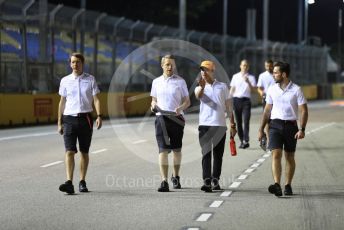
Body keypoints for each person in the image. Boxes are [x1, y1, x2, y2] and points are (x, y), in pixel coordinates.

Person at [258, 61, 308, 197]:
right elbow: (267, 110)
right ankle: (277, 185)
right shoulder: (272, 89)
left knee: (289, 156)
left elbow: (303, 110)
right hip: (275, 125)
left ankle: (287, 185)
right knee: (276, 154)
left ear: (284, 74)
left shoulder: (296, 90)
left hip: (291, 126)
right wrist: (261, 129)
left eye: (275, 72)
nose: (273, 75)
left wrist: (302, 129)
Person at [57, 53, 102, 194]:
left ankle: (82, 181)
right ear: (70, 64)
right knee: (69, 151)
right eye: (73, 62)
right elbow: (62, 102)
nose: (75, 65)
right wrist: (59, 122)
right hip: (69, 119)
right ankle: (69, 182)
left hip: (85, 119)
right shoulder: (65, 80)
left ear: (83, 63)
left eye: (78, 62)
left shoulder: (90, 79)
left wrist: (99, 115)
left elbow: (96, 100)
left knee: (84, 151)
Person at [150, 54, 190, 192]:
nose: (170, 67)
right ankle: (164, 181)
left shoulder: (180, 81)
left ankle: (176, 177)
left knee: (177, 149)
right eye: (167, 64)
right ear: (162, 65)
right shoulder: (156, 82)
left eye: (172, 64)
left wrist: (181, 108)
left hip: (176, 118)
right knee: (163, 149)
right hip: (161, 117)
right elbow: (153, 100)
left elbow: (187, 101)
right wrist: (153, 104)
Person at [195, 60, 237, 193]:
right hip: (205, 125)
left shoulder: (223, 87)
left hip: (220, 125)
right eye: (202, 70)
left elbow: (229, 106)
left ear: (212, 71)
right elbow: (198, 95)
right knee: (206, 153)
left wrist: (232, 123)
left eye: (206, 69)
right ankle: (207, 182)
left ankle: (215, 180)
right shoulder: (199, 87)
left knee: (218, 155)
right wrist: (201, 87)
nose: (203, 72)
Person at [229, 59, 256, 149]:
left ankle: (246, 139)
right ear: (240, 66)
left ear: (248, 67)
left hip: (246, 101)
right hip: (236, 100)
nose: (244, 67)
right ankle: (242, 140)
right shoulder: (235, 76)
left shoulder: (251, 78)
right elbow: (232, 89)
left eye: (246, 65)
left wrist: (248, 82)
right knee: (239, 122)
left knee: (246, 120)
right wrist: (229, 98)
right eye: (243, 65)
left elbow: (253, 91)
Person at [257, 59, 275, 150]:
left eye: (270, 66)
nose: (269, 67)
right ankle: (269, 140)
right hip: (267, 100)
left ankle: (276, 139)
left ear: (273, 65)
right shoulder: (262, 76)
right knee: (267, 120)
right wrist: (261, 93)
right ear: (265, 66)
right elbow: (259, 88)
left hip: (276, 99)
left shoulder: (276, 74)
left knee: (275, 119)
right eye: (267, 66)